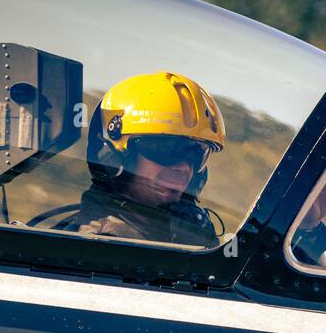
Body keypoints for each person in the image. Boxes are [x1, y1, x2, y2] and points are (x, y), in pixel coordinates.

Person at [66, 71, 225, 246]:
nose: (184, 168)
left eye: (196, 154)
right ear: (112, 157)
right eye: (166, 150)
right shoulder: (100, 247)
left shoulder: (193, 239)